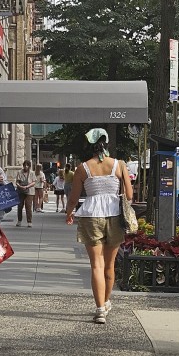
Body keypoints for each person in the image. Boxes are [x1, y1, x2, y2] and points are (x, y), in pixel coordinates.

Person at [65, 127, 133, 324]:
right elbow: (129, 195)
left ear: (89, 145)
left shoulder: (82, 168)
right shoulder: (119, 165)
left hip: (91, 216)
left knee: (96, 264)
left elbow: (74, 198)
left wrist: (69, 213)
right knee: (110, 265)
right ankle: (106, 301)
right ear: (106, 142)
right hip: (114, 215)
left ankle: (100, 309)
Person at [15, 159, 36, 227]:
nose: (26, 167)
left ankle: (29, 221)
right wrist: (19, 186)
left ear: (29, 166)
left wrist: (27, 186)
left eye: (27, 165)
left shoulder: (32, 173)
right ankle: (19, 220)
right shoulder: (19, 172)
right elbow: (17, 181)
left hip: (29, 191)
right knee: (20, 206)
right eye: (25, 165)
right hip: (21, 191)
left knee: (28, 206)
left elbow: (34, 182)